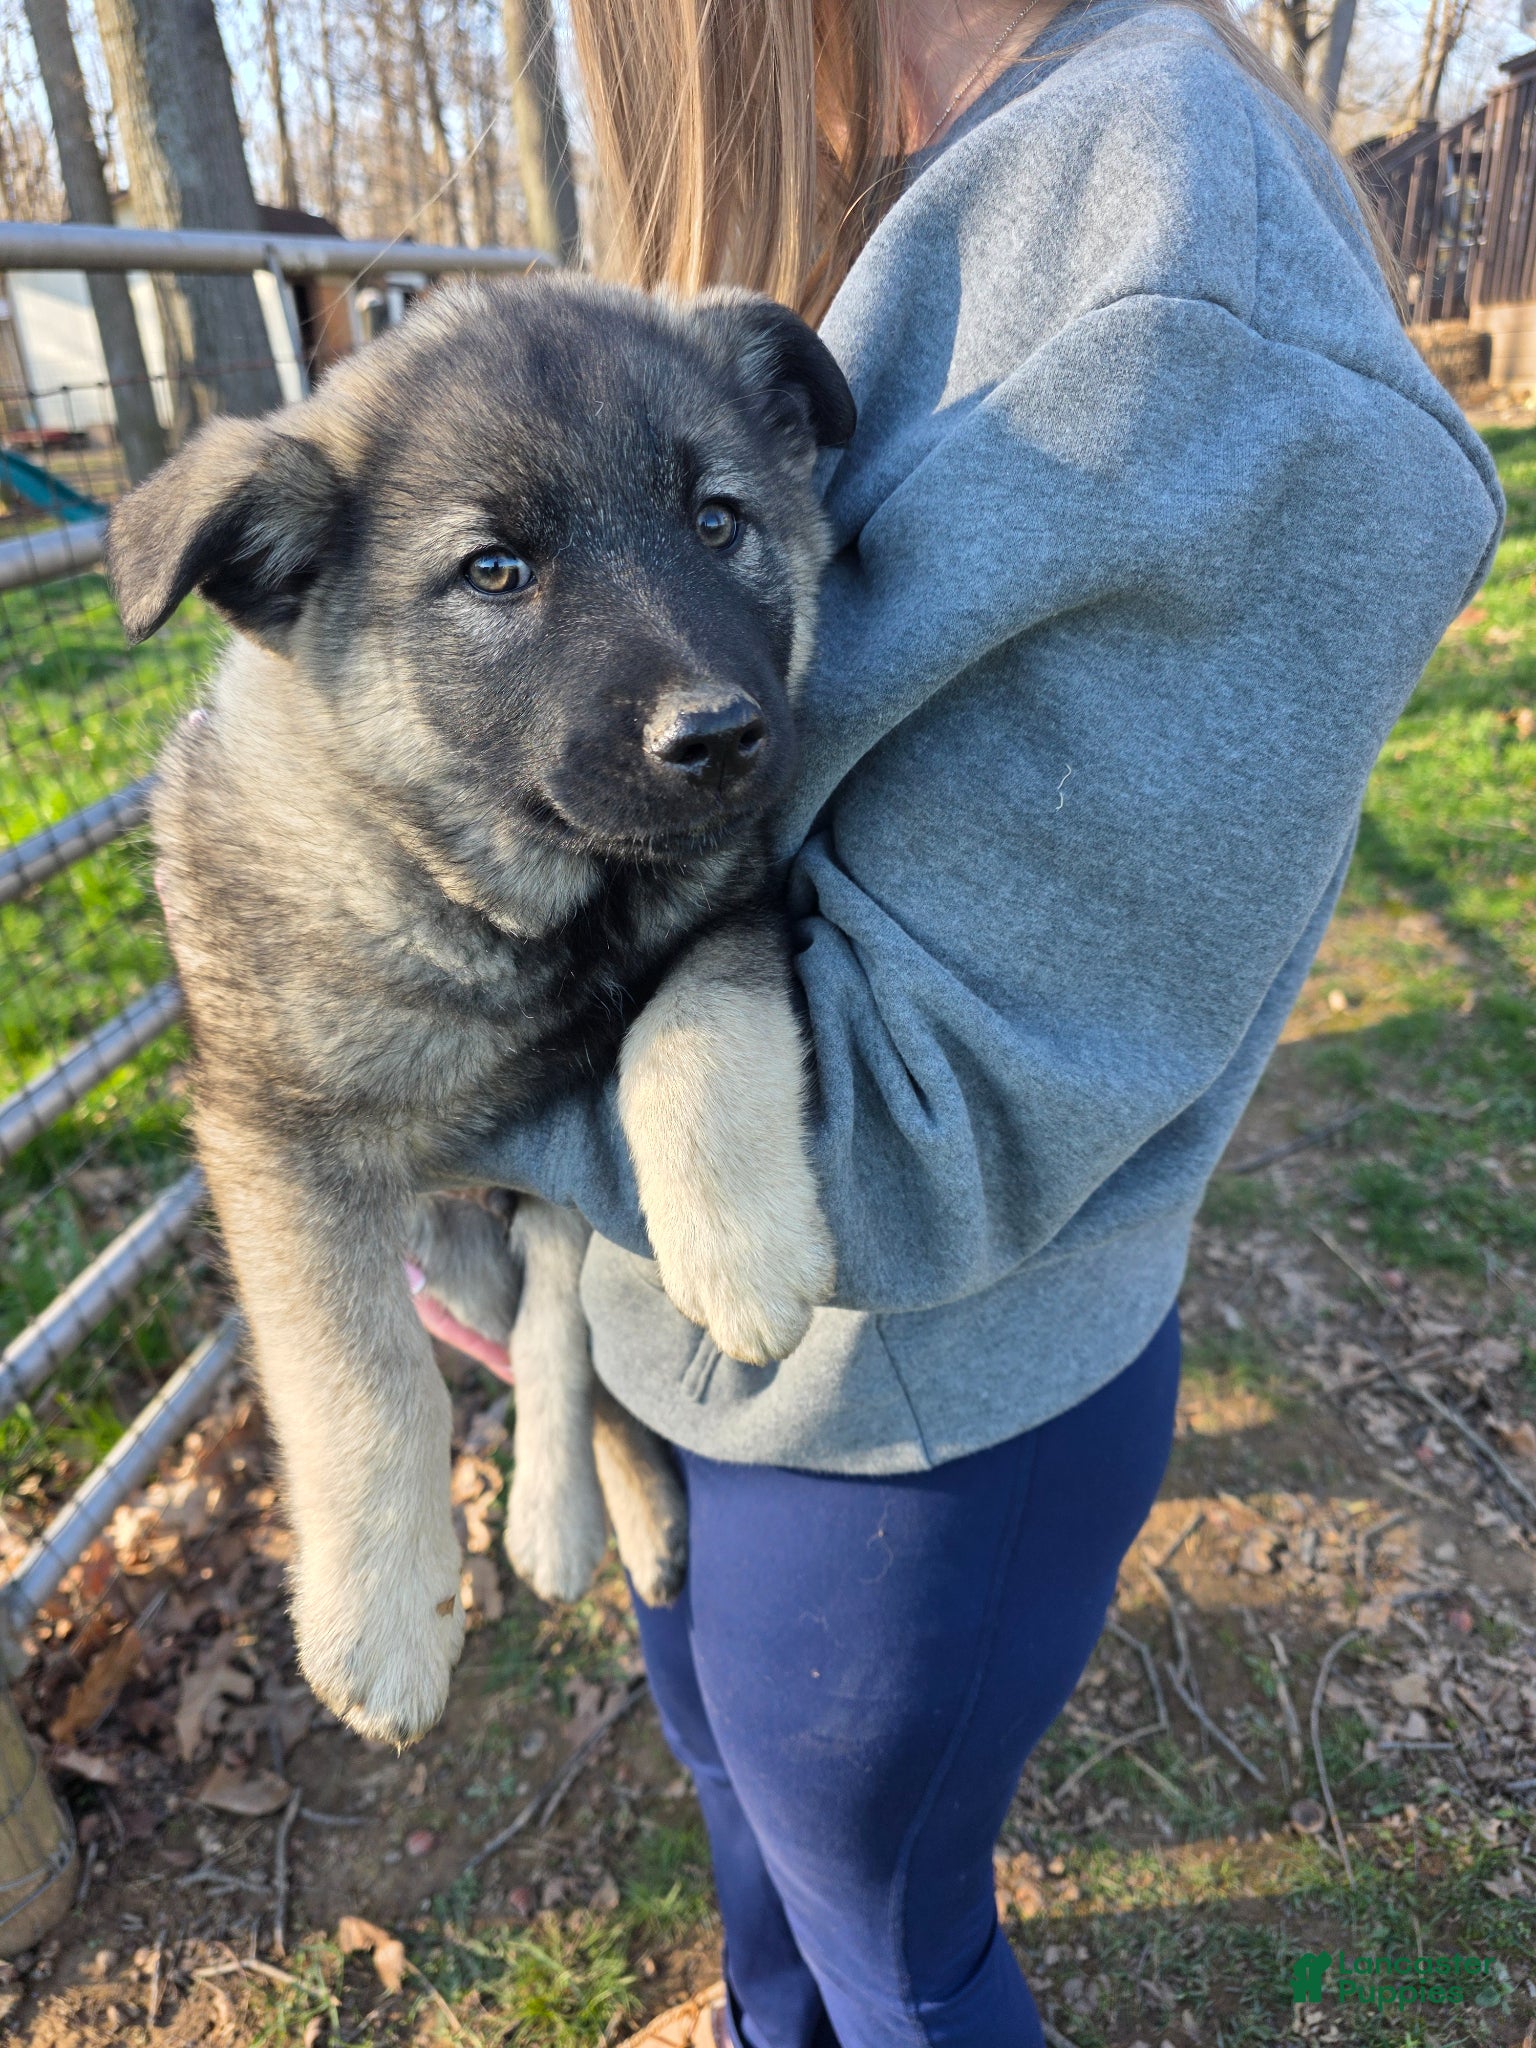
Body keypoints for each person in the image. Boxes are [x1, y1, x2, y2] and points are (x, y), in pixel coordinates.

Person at [433, 1, 1499, 2041]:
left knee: (894, 1943)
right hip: (715, 1350)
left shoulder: (1160, 246)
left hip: (909, 1420)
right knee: (754, 1825)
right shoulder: (888, 191)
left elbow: (911, 1137)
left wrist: (390, 1049)